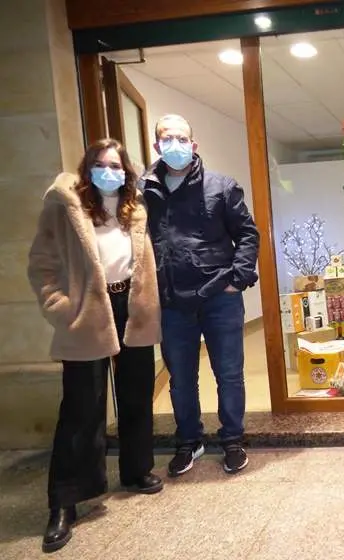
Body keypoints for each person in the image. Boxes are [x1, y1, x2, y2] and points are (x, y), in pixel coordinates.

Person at [28, 139, 163, 553]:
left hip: (131, 305)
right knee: (81, 408)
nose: (111, 172)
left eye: (117, 166)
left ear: (127, 171)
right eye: (102, 165)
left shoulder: (133, 208)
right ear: (88, 168)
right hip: (87, 309)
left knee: (137, 395)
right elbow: (41, 264)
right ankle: (65, 502)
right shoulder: (64, 205)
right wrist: (60, 307)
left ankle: (136, 470)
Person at [140, 114, 259, 477]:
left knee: (229, 373)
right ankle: (188, 441)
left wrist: (236, 280)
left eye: (181, 137)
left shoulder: (222, 186)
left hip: (219, 297)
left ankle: (233, 440)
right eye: (166, 137)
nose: (173, 144)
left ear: (193, 145)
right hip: (172, 301)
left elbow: (248, 235)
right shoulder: (145, 192)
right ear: (157, 145)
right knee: (180, 378)